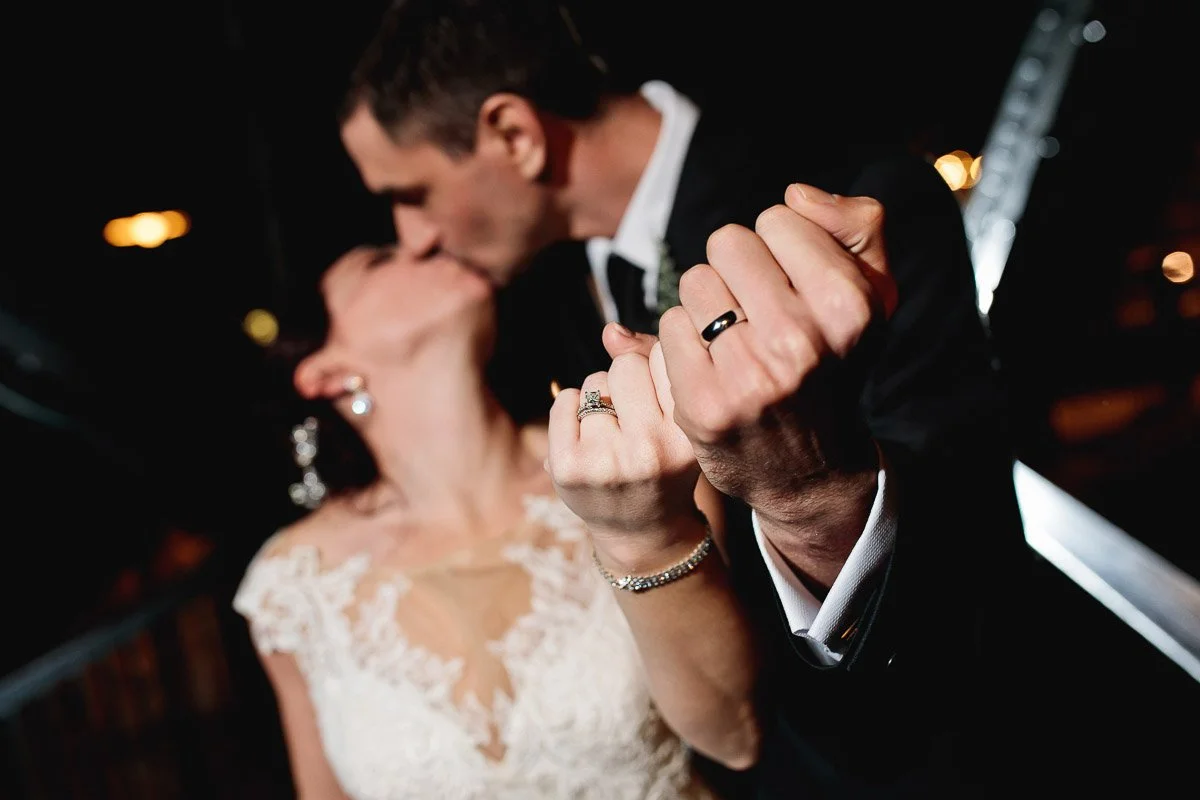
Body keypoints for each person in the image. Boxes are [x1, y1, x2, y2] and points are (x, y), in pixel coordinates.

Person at [335, 0, 1033, 794]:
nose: (412, 235)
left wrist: (806, 496)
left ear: (514, 135)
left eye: (412, 191)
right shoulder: (542, 299)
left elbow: (968, 552)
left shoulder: (835, 204)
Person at [232, 245, 736, 799]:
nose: (424, 242)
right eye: (380, 259)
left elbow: (736, 735)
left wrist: (644, 532)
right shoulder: (293, 584)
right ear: (327, 373)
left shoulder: (629, 462)